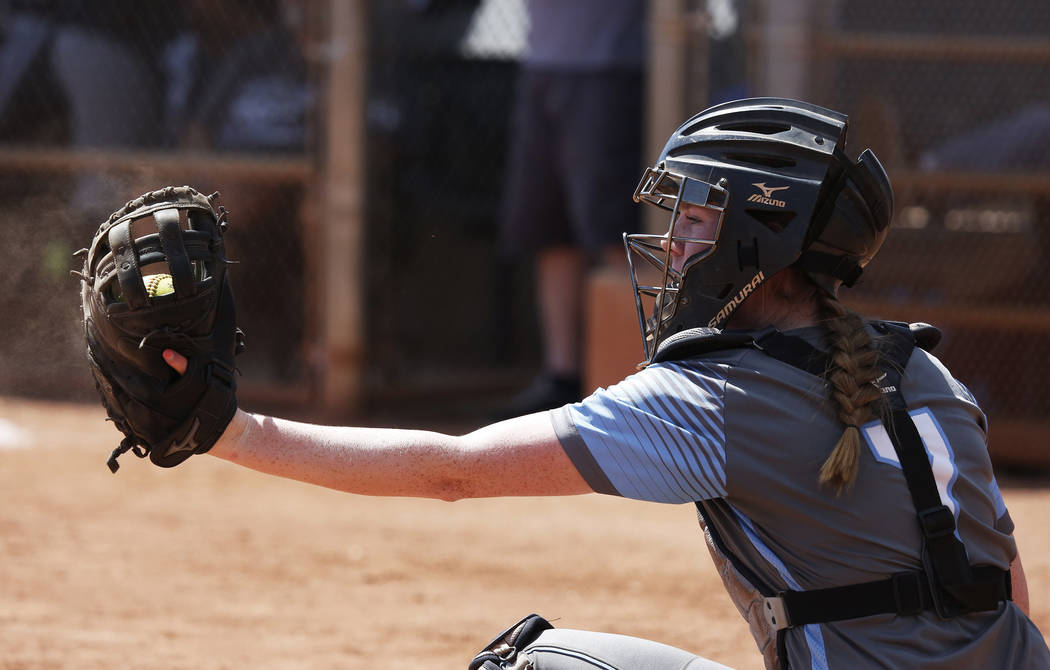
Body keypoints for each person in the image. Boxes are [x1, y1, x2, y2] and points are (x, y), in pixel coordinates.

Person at [154, 98, 1048, 668]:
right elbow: (1009, 594)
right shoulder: (923, 369)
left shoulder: (715, 398)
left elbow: (453, 469)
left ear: (760, 240)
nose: (676, 244)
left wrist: (226, 429)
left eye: (696, 218)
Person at [497, 0, 646, 415]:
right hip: (541, 66)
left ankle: (630, 380)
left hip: (612, 69)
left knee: (614, 235)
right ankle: (561, 377)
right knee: (551, 233)